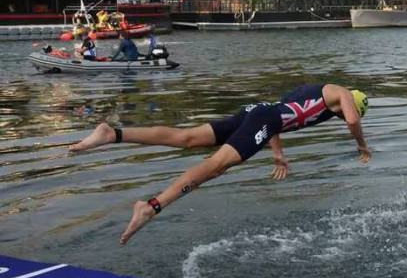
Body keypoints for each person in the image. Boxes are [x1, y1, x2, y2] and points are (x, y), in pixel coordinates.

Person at [68, 83, 370, 245]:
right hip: (264, 119)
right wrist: (361, 145)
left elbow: (277, 114)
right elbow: (353, 121)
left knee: (187, 138)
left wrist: (277, 153)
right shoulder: (341, 92)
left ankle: (113, 134)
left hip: (256, 112)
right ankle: (151, 206)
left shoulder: (312, 91)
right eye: (347, 112)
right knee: (217, 165)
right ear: (355, 102)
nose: (341, 116)